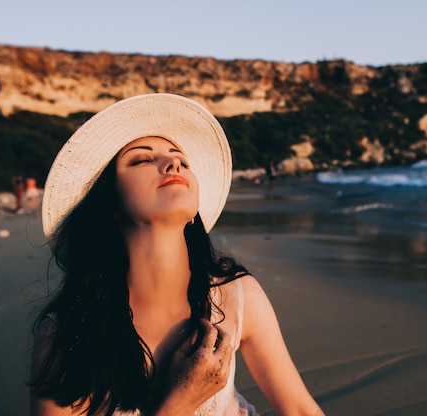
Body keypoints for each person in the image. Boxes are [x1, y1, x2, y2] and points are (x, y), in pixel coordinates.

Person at [29, 93, 324, 416]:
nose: (174, 164)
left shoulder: (234, 293)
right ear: (108, 203)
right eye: (141, 160)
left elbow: (298, 409)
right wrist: (180, 402)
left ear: (192, 214)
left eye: (182, 160)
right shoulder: (67, 333)